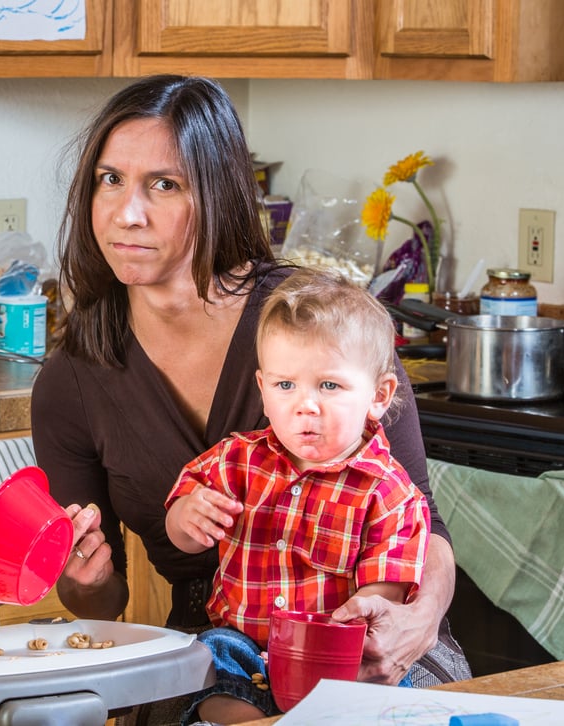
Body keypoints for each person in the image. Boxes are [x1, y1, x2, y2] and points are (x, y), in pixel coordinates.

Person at [30, 74, 469, 719]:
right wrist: (81, 577)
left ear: (217, 194)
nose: (127, 212)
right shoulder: (72, 379)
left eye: (164, 184)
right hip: (214, 655)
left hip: (374, 640)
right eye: (109, 179)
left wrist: (420, 621)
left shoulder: (322, 323)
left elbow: (421, 521)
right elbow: (101, 602)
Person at [165, 268, 431, 723]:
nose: (305, 405)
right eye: (286, 385)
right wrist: (188, 517)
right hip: (247, 647)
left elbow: (381, 599)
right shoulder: (236, 461)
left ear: (379, 396)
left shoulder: (389, 492)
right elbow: (180, 531)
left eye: (329, 385)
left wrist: (341, 641)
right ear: (263, 389)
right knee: (209, 657)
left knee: (389, 686)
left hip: (337, 655)